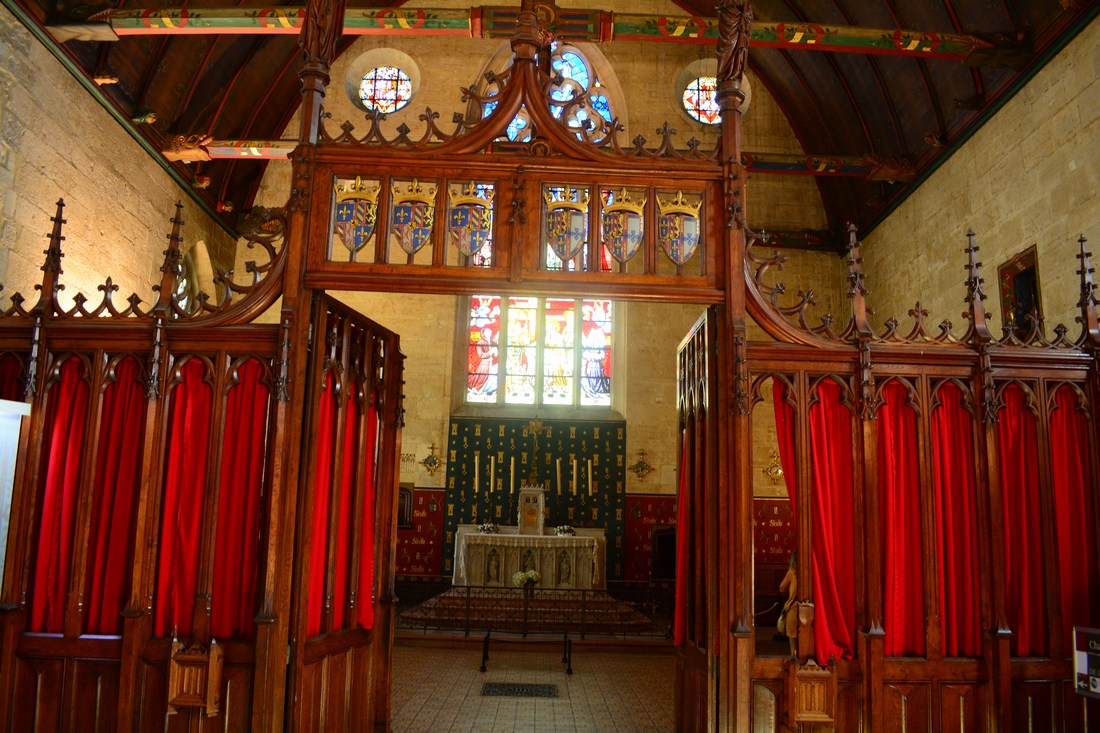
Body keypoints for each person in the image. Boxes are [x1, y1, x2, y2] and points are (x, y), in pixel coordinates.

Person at [777, 551, 798, 659]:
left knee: (793, 650)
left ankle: (794, 666)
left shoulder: (792, 571)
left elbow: (781, 588)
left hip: (793, 610)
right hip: (811, 610)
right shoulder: (812, 571)